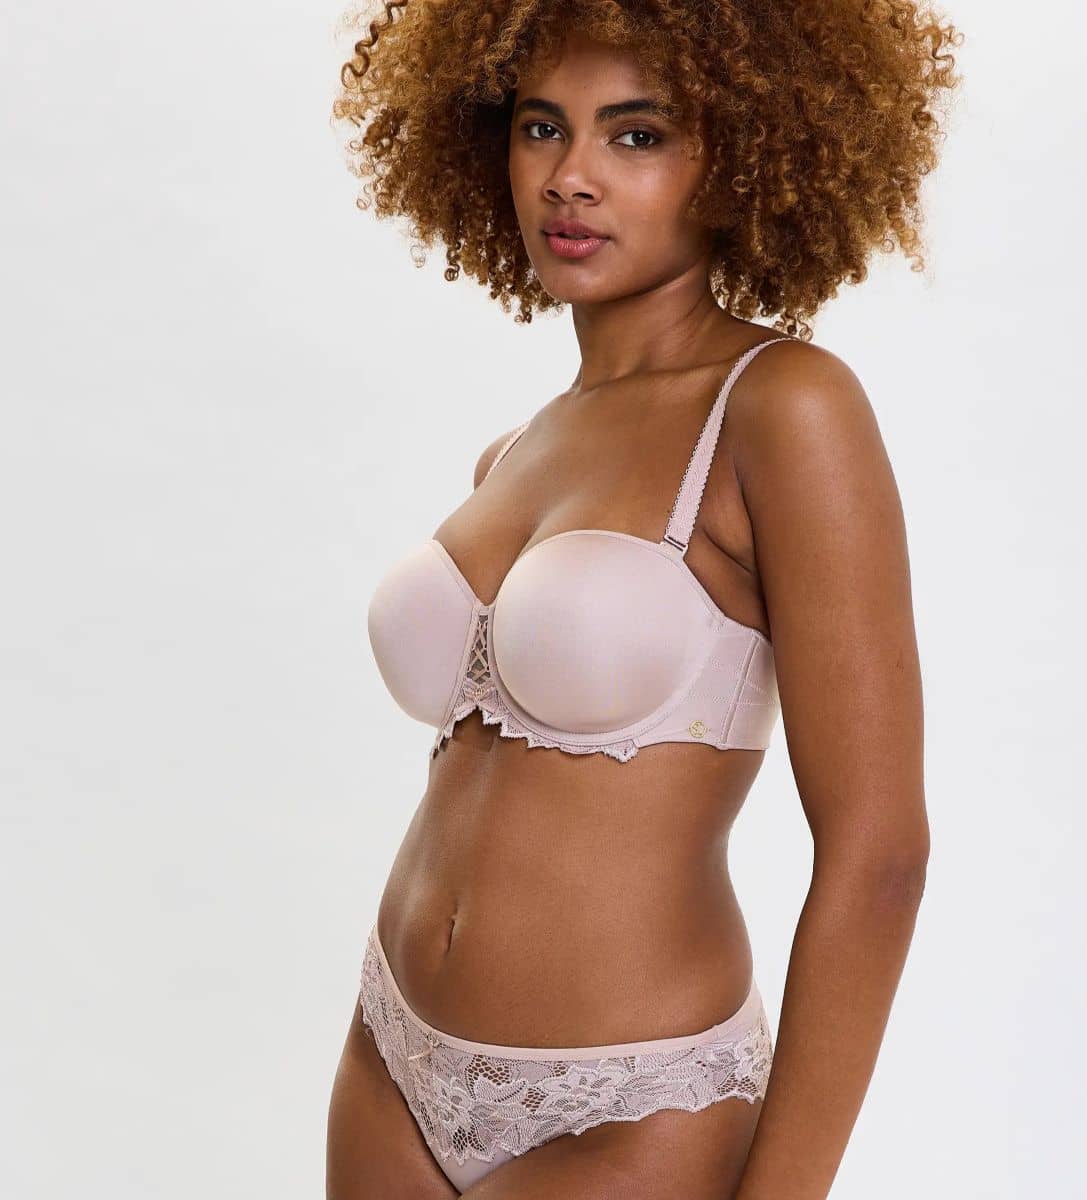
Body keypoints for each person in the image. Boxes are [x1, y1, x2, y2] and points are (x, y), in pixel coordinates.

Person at [326, 2, 961, 1196]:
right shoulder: (520, 448)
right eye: (540, 127)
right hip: (390, 1059)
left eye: (636, 135)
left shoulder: (784, 408)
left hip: (630, 1107)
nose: (570, 178)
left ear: (742, 153)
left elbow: (880, 853)